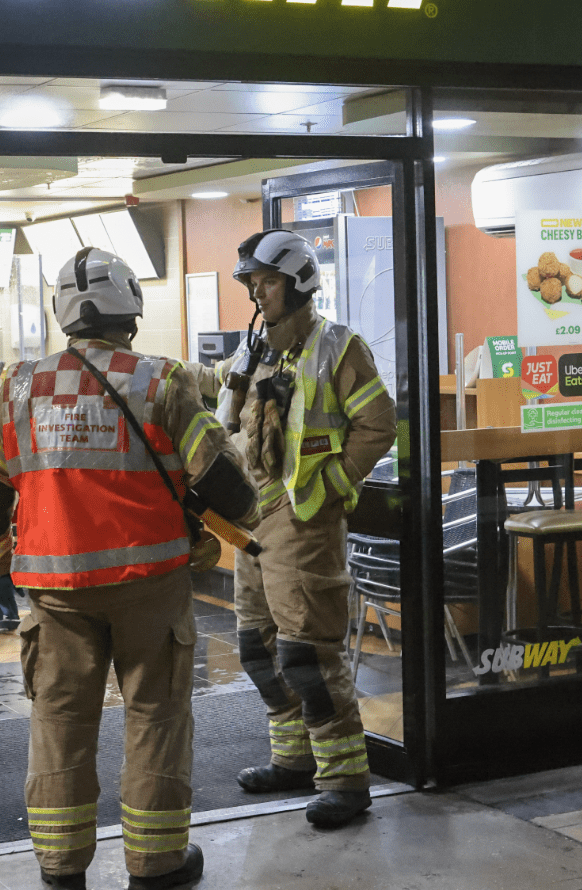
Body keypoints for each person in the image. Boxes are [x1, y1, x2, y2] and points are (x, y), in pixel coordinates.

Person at [0, 247, 259, 890]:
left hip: (55, 594)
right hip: (151, 586)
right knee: (155, 715)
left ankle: (61, 869)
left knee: (60, 721)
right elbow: (233, 493)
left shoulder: (18, 387)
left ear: (63, 311)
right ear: (131, 306)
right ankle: (155, 865)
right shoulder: (161, 382)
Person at [192, 229, 396, 830]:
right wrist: (155, 374)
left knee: (308, 654)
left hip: (303, 519)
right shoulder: (257, 349)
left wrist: (335, 485)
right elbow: (214, 383)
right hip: (251, 517)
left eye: (267, 281)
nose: (257, 292)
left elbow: (378, 425)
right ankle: (294, 759)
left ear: (300, 282)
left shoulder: (340, 348)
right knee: (258, 649)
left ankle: (345, 782)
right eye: (252, 282)